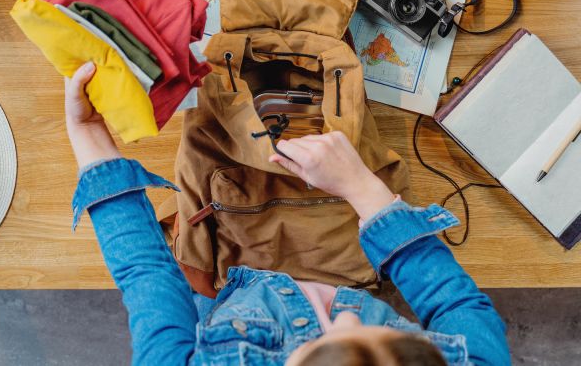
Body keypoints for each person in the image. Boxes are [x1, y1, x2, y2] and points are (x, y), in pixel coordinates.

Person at [65, 63, 511, 366]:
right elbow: (456, 304)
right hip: (349, 262)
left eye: (327, 344)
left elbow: (147, 276)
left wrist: (86, 134)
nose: (348, 316)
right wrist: (360, 185)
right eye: (400, 337)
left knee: (191, 280)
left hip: (232, 294)